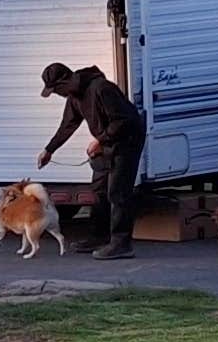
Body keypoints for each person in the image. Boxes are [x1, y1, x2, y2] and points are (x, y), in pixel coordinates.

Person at [37, 58, 145, 260]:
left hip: (127, 140)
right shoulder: (74, 97)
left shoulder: (101, 88)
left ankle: (122, 243)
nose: (58, 95)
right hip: (108, 141)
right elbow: (68, 125)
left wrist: (99, 140)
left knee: (117, 192)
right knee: (99, 189)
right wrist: (49, 150)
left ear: (64, 82)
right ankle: (99, 236)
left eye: (56, 90)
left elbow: (124, 120)